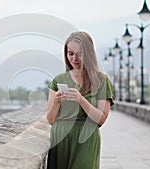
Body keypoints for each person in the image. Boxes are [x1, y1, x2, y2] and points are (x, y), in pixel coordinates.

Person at [46, 31, 114, 169]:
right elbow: (51, 120)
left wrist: (81, 99)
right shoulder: (58, 80)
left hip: (86, 138)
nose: (74, 58)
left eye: (80, 54)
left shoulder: (101, 80)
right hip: (60, 139)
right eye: (70, 53)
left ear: (88, 54)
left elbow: (101, 119)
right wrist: (57, 102)